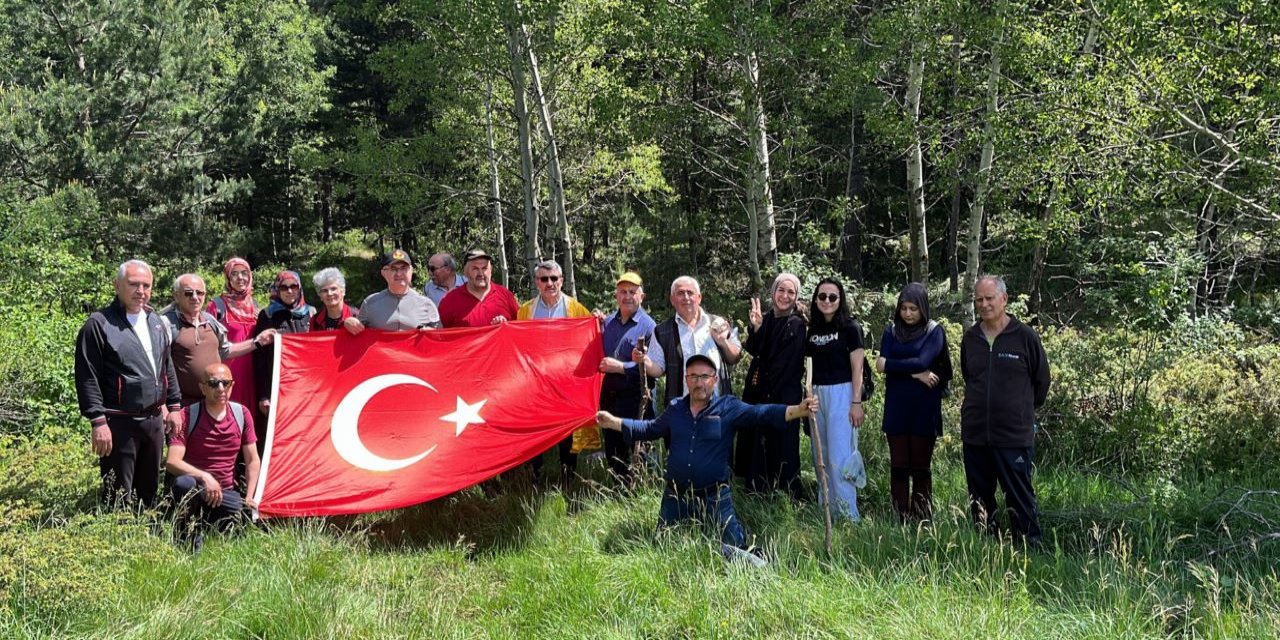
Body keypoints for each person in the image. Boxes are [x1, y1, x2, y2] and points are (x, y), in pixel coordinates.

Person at [597, 354, 818, 565]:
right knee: (664, 546)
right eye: (693, 376)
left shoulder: (728, 407)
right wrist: (613, 422)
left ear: (714, 380)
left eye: (705, 377)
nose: (699, 382)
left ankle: (761, 559)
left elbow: (761, 413)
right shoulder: (675, 409)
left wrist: (798, 410)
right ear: (686, 380)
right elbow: (649, 429)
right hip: (677, 497)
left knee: (736, 549)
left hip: (715, 497)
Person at [74, 259, 183, 507]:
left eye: (146, 285)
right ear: (117, 285)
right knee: (119, 492)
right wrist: (97, 421)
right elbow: (87, 376)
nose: (141, 291)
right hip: (119, 421)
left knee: (149, 488)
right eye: (134, 284)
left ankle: (146, 537)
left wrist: (174, 406)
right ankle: (118, 538)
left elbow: (166, 365)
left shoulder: (156, 321)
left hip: (154, 419)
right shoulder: (99, 324)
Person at [961, 275, 1050, 546]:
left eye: (989, 298)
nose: (984, 304)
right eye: (979, 299)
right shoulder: (971, 338)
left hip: (1013, 436)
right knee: (980, 497)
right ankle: (986, 546)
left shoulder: (1024, 336)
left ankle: (1028, 551)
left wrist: (1019, 410)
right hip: (976, 434)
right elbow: (969, 376)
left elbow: (1041, 381)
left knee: (1019, 497)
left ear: (1004, 299)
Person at [166, 362, 260, 552]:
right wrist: (205, 477)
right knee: (183, 484)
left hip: (225, 492)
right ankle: (188, 539)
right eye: (213, 383)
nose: (220, 388)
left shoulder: (242, 414)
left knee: (243, 523)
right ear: (202, 387)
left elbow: (252, 460)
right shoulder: (187, 415)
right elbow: (172, 461)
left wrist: (249, 496)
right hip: (195, 489)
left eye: (225, 383)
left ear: (232, 385)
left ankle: (209, 523)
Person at [516, 260, 595, 486]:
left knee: (567, 431)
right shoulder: (525, 311)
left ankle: (568, 479)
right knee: (534, 432)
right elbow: (517, 346)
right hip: (535, 384)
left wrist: (597, 319)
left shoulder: (577, 309)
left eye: (554, 278)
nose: (549, 283)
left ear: (561, 281)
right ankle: (534, 479)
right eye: (544, 279)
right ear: (536, 283)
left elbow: (590, 339)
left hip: (566, 383)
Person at [876, 282, 949, 522]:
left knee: (920, 466)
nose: (907, 314)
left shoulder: (934, 331)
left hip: (924, 408)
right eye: (904, 308)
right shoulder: (891, 331)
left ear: (923, 309)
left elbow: (923, 360)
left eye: (913, 309)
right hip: (896, 407)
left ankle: (922, 518)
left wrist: (894, 367)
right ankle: (899, 517)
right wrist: (915, 373)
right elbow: (880, 364)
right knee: (898, 466)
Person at [738, 273, 808, 499]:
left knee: (784, 447)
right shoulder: (766, 319)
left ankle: (787, 497)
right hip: (760, 393)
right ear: (773, 292)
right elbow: (756, 350)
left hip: (784, 395)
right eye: (781, 290)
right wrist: (756, 327)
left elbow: (783, 362)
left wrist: (771, 394)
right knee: (758, 445)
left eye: (791, 292)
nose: (785, 296)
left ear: (796, 297)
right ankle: (758, 493)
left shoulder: (797, 324)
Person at [805, 276, 867, 522]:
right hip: (817, 394)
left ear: (840, 300)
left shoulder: (851, 328)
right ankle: (827, 511)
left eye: (832, 297)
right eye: (822, 296)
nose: (827, 301)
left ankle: (849, 515)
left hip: (843, 392)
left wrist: (856, 402)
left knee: (841, 457)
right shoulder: (813, 330)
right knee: (821, 453)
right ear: (816, 299)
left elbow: (858, 369)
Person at [160, 274, 274, 405]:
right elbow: (159, 367)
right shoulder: (167, 323)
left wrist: (258, 341)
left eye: (200, 293)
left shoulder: (209, 320)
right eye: (188, 293)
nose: (195, 297)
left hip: (214, 402)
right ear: (176, 296)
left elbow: (225, 350)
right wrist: (165, 406)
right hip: (182, 405)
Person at [640, 276, 742, 407]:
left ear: (699, 298)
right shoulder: (661, 331)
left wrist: (723, 342)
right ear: (672, 300)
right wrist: (643, 360)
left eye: (690, 293)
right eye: (680, 293)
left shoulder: (719, 324)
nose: (686, 297)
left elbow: (735, 357)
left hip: (719, 407)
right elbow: (658, 369)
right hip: (681, 411)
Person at [595, 271, 657, 485]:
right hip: (610, 398)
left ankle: (646, 489)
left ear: (642, 296)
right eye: (623, 292)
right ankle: (619, 491)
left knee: (641, 449)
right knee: (614, 450)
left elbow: (654, 367)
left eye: (633, 292)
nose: (627, 296)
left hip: (637, 399)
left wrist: (621, 367)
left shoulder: (649, 326)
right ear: (616, 296)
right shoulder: (607, 322)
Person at [252, 270, 314, 442]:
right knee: (277, 437)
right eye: (284, 287)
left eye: (293, 286)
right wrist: (263, 395)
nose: (289, 291)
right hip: (276, 387)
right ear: (277, 290)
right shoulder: (267, 315)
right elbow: (260, 359)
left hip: (306, 389)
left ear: (300, 288)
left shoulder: (312, 313)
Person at [206, 257, 260, 411]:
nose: (240, 278)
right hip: (228, 372)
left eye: (244, 273)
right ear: (228, 277)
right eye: (234, 274)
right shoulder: (217, 305)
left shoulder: (255, 305)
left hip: (252, 372)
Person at [344, 249, 440, 334]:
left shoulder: (426, 305)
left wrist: (432, 333)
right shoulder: (370, 303)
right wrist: (347, 323)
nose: (399, 273)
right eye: (393, 269)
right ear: (383, 273)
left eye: (403, 268)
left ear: (411, 271)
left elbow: (442, 340)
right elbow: (356, 334)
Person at [437, 248, 518, 328]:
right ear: (465, 271)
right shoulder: (450, 300)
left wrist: (506, 326)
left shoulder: (506, 296)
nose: (481, 273)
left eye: (484, 268)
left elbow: (519, 330)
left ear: (491, 270)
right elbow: (439, 335)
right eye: (475, 268)